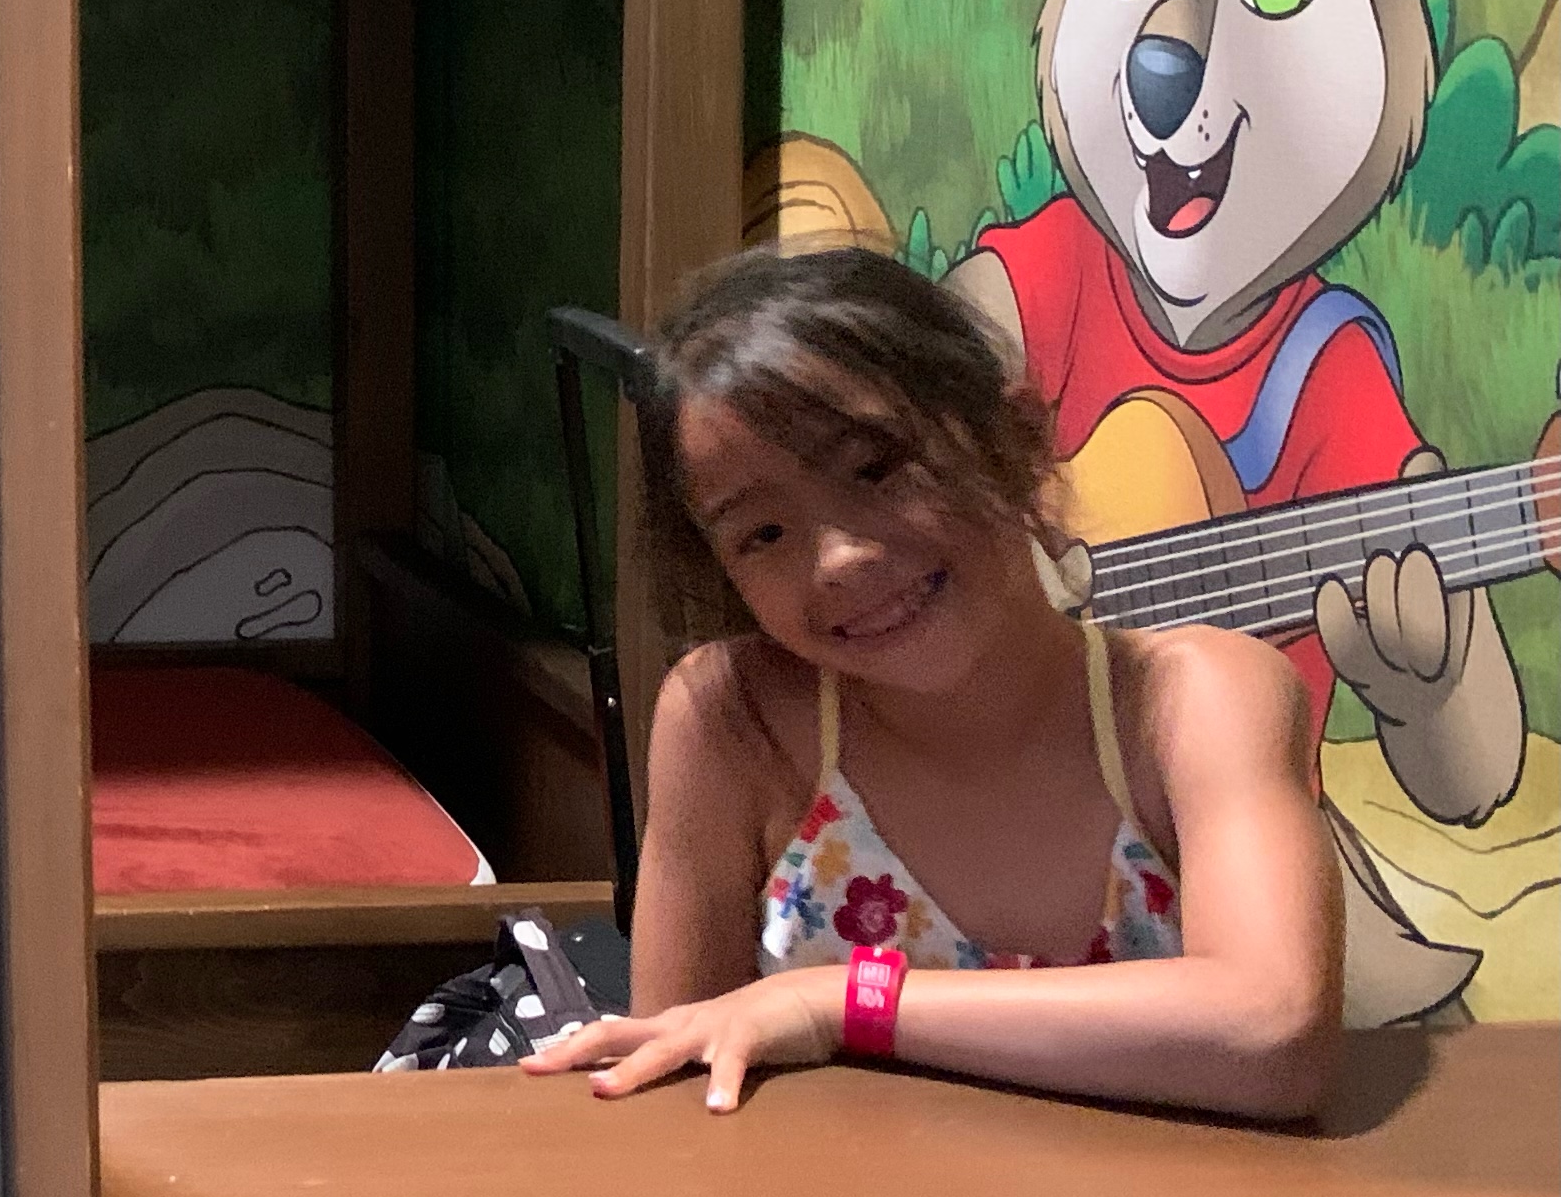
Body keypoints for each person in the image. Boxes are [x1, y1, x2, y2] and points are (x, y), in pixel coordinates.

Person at [523, 244, 1340, 1119]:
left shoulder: (1196, 699)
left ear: (1017, 439)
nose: (838, 559)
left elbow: (1273, 1031)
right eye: (762, 534)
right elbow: (672, 1079)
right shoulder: (731, 719)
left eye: (878, 469)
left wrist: (840, 1001)